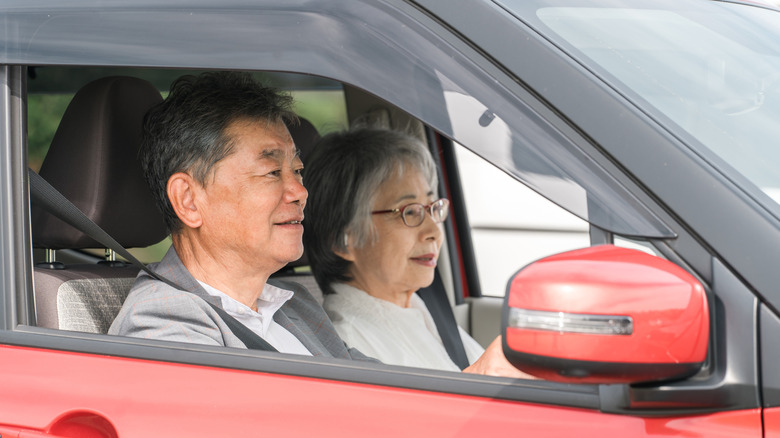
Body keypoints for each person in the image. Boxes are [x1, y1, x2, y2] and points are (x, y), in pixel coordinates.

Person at [109, 71, 370, 361]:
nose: (300, 191)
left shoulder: (296, 305)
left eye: (297, 170)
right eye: (272, 172)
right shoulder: (163, 326)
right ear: (189, 200)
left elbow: (385, 391)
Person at [304, 128, 530, 377]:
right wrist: (481, 376)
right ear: (344, 242)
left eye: (433, 207)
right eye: (409, 212)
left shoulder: (419, 311)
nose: (434, 230)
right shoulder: (345, 346)